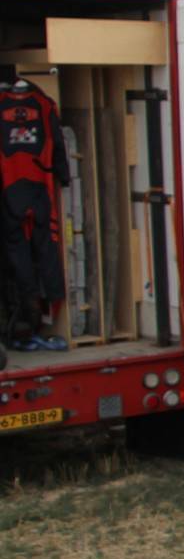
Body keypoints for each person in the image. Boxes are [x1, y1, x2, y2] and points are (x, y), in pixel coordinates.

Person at [1, 72, 70, 351]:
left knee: (16, 254)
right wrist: (63, 176)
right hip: (40, 190)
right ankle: (50, 304)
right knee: (47, 249)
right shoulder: (44, 104)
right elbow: (58, 144)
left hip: (9, 190)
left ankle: (26, 316)